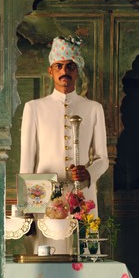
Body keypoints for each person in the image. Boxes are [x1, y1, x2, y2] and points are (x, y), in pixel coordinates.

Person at [20, 36, 109, 253]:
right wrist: (26, 208)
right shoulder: (34, 108)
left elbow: (103, 159)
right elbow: (27, 162)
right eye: (59, 66)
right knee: (47, 258)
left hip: (83, 197)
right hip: (44, 198)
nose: (64, 71)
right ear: (50, 71)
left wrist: (88, 173)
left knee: (84, 257)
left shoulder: (94, 108)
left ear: (77, 71)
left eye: (70, 66)